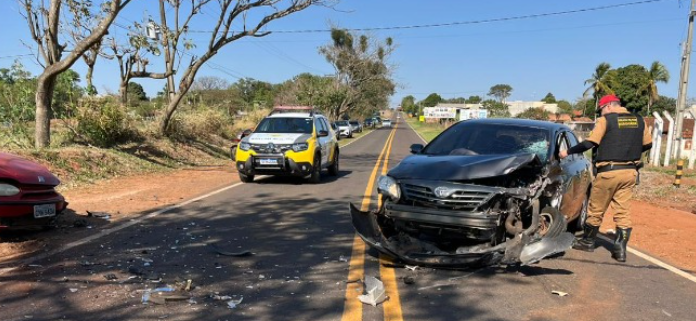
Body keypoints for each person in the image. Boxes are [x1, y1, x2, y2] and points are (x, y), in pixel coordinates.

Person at [559, 94, 652, 262]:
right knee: (623, 211)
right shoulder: (639, 120)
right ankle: (620, 250)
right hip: (630, 172)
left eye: (601, 109)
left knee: (596, 209)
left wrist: (567, 152)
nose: (601, 113)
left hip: (609, 172)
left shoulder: (606, 120)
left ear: (608, 106)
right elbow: (648, 144)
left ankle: (587, 242)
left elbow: (590, 143)